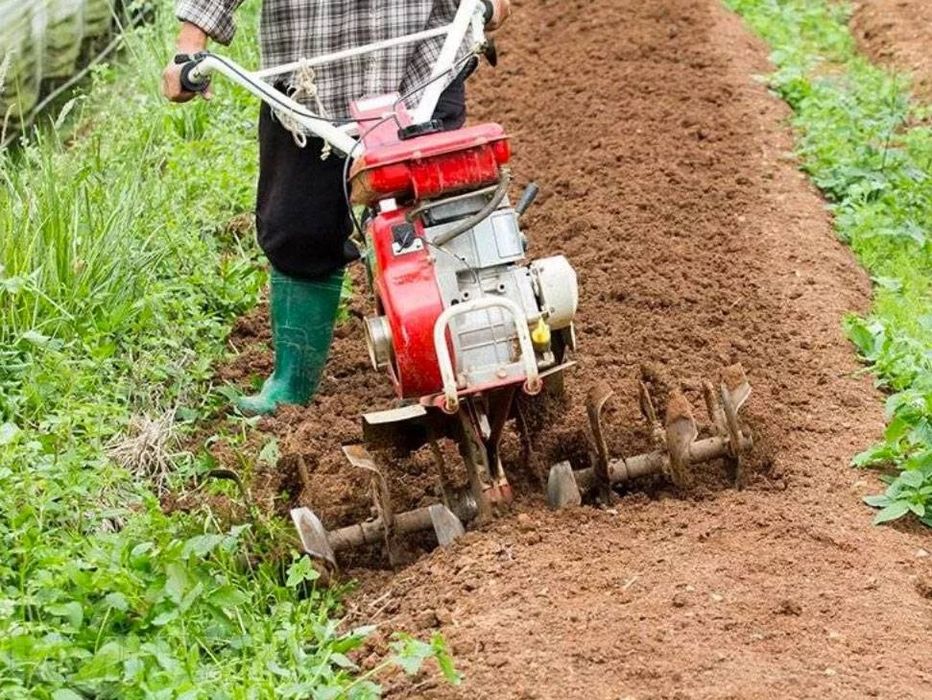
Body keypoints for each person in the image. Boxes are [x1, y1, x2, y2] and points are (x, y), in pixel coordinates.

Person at [162, 0, 509, 415]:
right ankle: (291, 387)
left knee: (441, 217)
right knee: (300, 228)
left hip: (423, 67)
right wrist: (189, 47)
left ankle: (474, 354)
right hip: (310, 84)